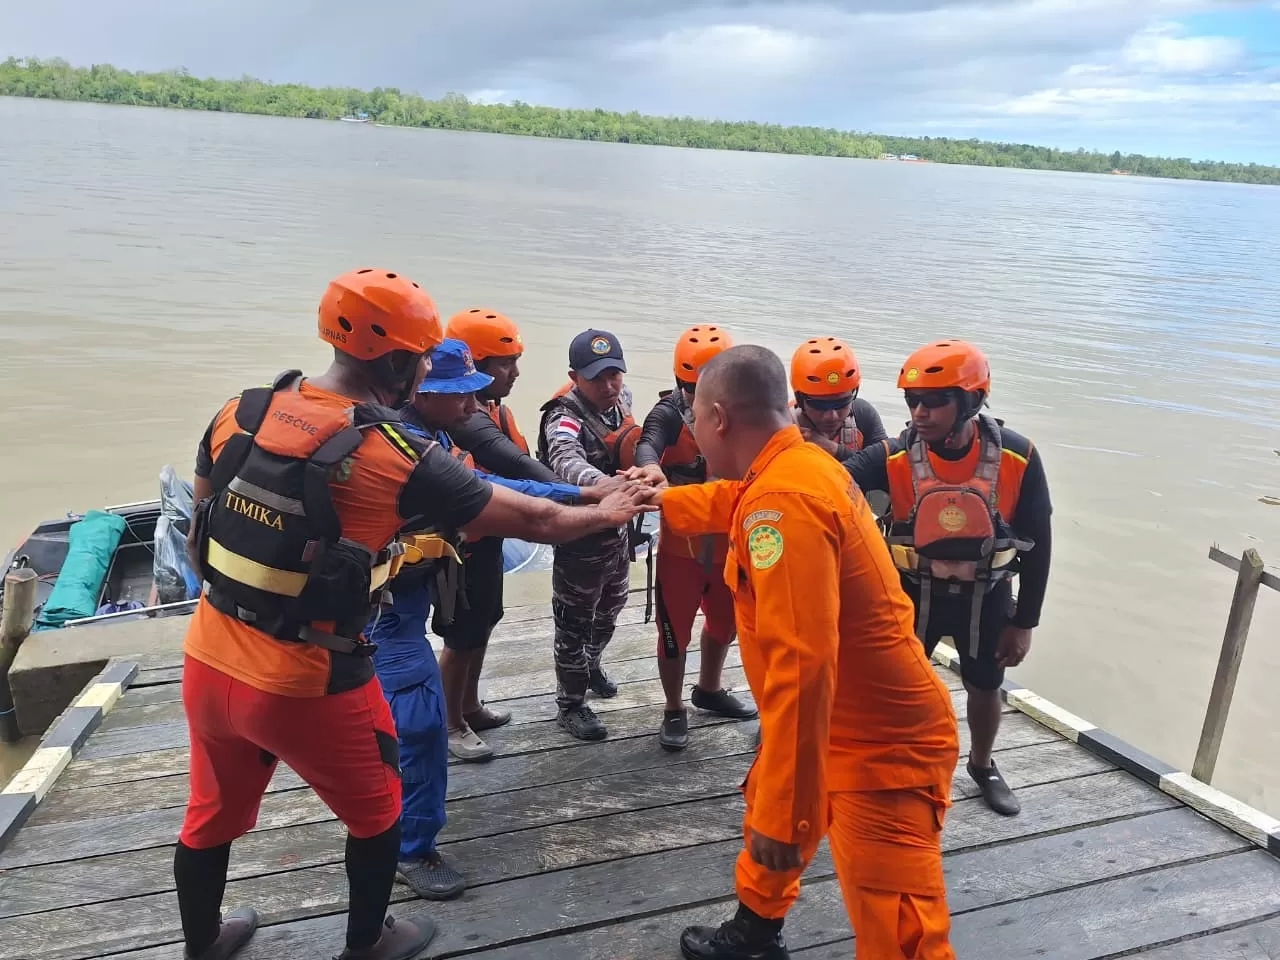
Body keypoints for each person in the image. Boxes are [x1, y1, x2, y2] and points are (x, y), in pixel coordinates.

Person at [177, 269, 653, 960]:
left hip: (209, 649)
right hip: (306, 675)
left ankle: (202, 944)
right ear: (400, 363)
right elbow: (529, 515)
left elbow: (200, 535)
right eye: (423, 357)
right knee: (378, 811)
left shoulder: (241, 411)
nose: (428, 368)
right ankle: (368, 941)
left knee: (208, 815)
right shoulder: (388, 452)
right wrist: (609, 507)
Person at [649, 345, 960, 960]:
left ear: (716, 417)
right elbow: (737, 501)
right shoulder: (797, 466)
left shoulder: (783, 503)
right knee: (772, 785)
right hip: (837, 719)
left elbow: (803, 663)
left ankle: (769, 900)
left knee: (902, 933)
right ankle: (755, 933)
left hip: (883, 745)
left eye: (694, 420)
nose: (693, 435)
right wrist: (654, 501)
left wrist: (787, 815)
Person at [368, 337, 601, 903]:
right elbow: (511, 501)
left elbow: (504, 485)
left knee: (401, 716)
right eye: (459, 395)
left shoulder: (435, 434)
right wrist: (592, 501)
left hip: (406, 594)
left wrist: (580, 489)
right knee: (419, 722)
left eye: (474, 394)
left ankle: (391, 822)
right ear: (422, 390)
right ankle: (409, 850)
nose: (473, 405)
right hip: (380, 608)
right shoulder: (406, 449)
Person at [839, 339, 1052, 818]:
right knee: (896, 686)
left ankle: (982, 764)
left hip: (988, 595)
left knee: (985, 683)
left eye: (935, 401)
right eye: (914, 401)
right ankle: (896, 764)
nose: (920, 412)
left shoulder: (1018, 457)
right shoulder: (891, 457)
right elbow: (832, 480)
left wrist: (1026, 621)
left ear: (971, 400)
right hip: (914, 592)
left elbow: (1040, 542)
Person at [441, 307, 572, 762]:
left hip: (490, 536)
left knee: (486, 620)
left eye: (515, 361)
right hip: (458, 546)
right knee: (461, 633)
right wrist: (576, 495)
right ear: (472, 366)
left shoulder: (496, 410)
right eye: (503, 364)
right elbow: (510, 466)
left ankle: (469, 705)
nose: (515, 372)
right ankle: (449, 722)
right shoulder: (457, 418)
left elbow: (518, 465)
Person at [628, 325, 757, 752]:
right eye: (689, 387)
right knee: (673, 633)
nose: (694, 396)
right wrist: (651, 469)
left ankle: (709, 688)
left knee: (726, 624)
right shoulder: (668, 413)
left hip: (729, 547)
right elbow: (648, 443)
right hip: (680, 551)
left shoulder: (748, 415)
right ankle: (672, 707)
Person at [536, 328, 643, 741]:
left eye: (614, 374)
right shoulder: (563, 417)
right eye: (597, 378)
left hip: (617, 536)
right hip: (580, 536)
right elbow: (565, 460)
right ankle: (571, 704)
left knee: (612, 607)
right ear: (574, 376)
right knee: (573, 622)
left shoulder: (622, 399)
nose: (609, 385)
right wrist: (610, 488)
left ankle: (591, 662)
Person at [791, 336, 887, 459]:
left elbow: (885, 468)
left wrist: (834, 450)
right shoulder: (782, 426)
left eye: (842, 403)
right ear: (800, 399)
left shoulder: (862, 415)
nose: (831, 416)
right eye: (819, 405)